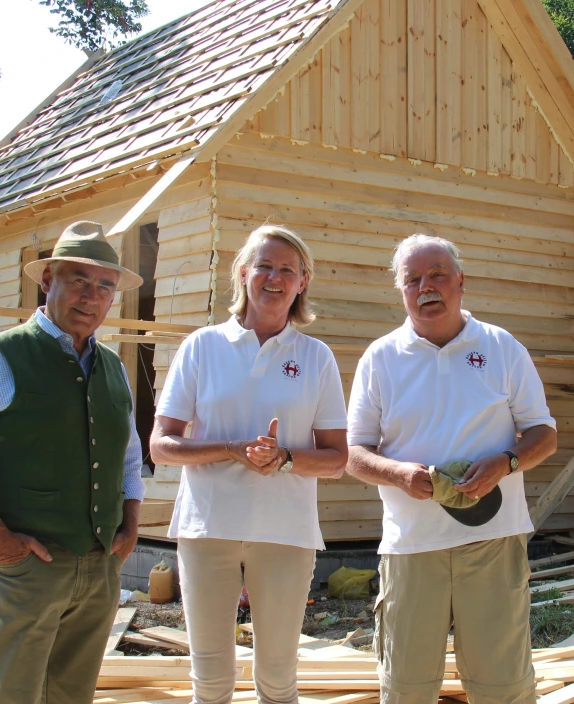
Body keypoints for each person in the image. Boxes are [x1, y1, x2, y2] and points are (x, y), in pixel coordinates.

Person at [0, 221, 145, 704]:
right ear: (48, 280)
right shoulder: (0, 356)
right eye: (78, 280)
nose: (91, 297)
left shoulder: (113, 367)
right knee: (11, 693)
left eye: (104, 286)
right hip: (28, 567)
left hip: (101, 565)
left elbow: (129, 459)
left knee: (72, 693)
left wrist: (130, 528)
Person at [346, 234, 559, 704]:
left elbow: (544, 435)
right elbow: (354, 453)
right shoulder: (380, 358)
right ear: (401, 291)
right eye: (413, 280)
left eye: (438, 275)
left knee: (503, 689)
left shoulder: (501, 347)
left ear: (461, 281)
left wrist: (505, 462)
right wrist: (398, 474)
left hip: (493, 541)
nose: (426, 287)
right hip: (411, 546)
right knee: (406, 691)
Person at [149, 225, 348, 704]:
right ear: (243, 272)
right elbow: (161, 446)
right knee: (210, 683)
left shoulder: (316, 357)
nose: (274, 278)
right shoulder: (202, 346)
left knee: (278, 682)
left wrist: (284, 459)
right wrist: (232, 448)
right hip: (208, 528)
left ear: (303, 282)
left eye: (287, 270)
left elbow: (337, 458)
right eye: (264, 266)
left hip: (285, 533)